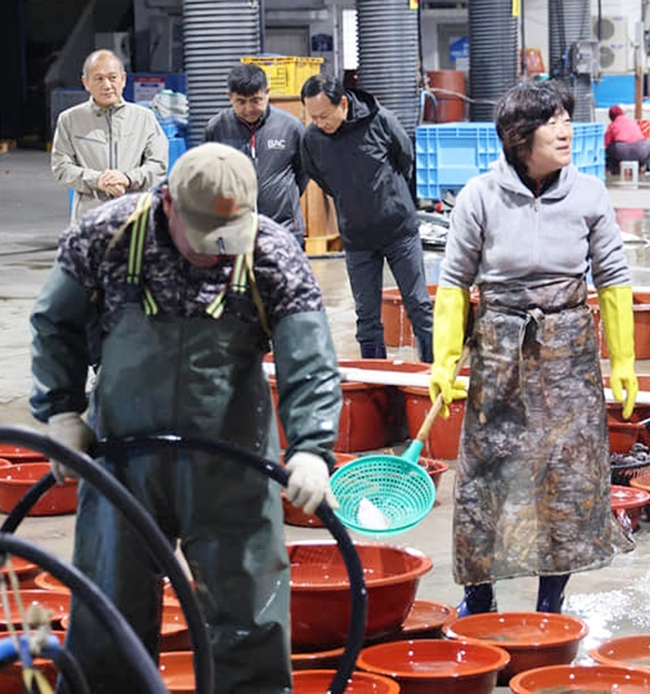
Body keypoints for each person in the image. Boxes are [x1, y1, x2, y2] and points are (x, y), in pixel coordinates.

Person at [30, 142, 342, 693]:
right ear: (167, 202)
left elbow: (309, 359)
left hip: (232, 464)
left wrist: (313, 449)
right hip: (123, 461)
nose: (216, 252)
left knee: (248, 616)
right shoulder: (107, 236)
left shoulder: (272, 253)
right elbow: (56, 323)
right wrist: (62, 412)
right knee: (109, 614)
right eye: (204, 236)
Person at [430, 80, 639, 617]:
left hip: (568, 350)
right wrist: (445, 359)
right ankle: (479, 595)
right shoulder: (479, 195)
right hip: (500, 348)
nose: (566, 129)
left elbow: (613, 277)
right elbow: (454, 282)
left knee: (565, 474)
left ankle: (553, 600)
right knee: (487, 472)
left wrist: (624, 360)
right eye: (552, 121)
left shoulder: (589, 193)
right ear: (520, 137)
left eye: (567, 117)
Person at [299, 74, 433, 362]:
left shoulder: (380, 120)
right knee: (366, 316)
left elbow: (404, 157)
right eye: (314, 117)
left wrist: (388, 195)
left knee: (419, 305)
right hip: (357, 237)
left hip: (398, 230)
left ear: (343, 104)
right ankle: (377, 377)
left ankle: (432, 372)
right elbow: (321, 178)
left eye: (324, 115)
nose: (320, 123)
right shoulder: (312, 139)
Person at [52, 49, 169, 222]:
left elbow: (158, 164)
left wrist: (128, 178)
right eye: (99, 78)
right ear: (86, 82)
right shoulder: (70, 120)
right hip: (89, 220)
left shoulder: (144, 118)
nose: (107, 85)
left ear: (123, 79)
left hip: (134, 217)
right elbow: (61, 167)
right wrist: (97, 180)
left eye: (112, 78)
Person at [205, 63, 309, 249]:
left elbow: (303, 171)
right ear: (230, 97)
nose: (248, 108)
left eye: (256, 100)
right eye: (241, 102)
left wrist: (282, 197)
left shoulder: (291, 127)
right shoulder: (217, 128)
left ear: (267, 93)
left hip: (284, 230)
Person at [604, 105, 650, 176]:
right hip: (640, 151)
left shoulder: (613, 125)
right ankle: (642, 167)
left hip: (622, 152)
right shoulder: (632, 122)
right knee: (649, 142)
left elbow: (606, 143)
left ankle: (616, 170)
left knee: (611, 147)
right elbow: (641, 136)